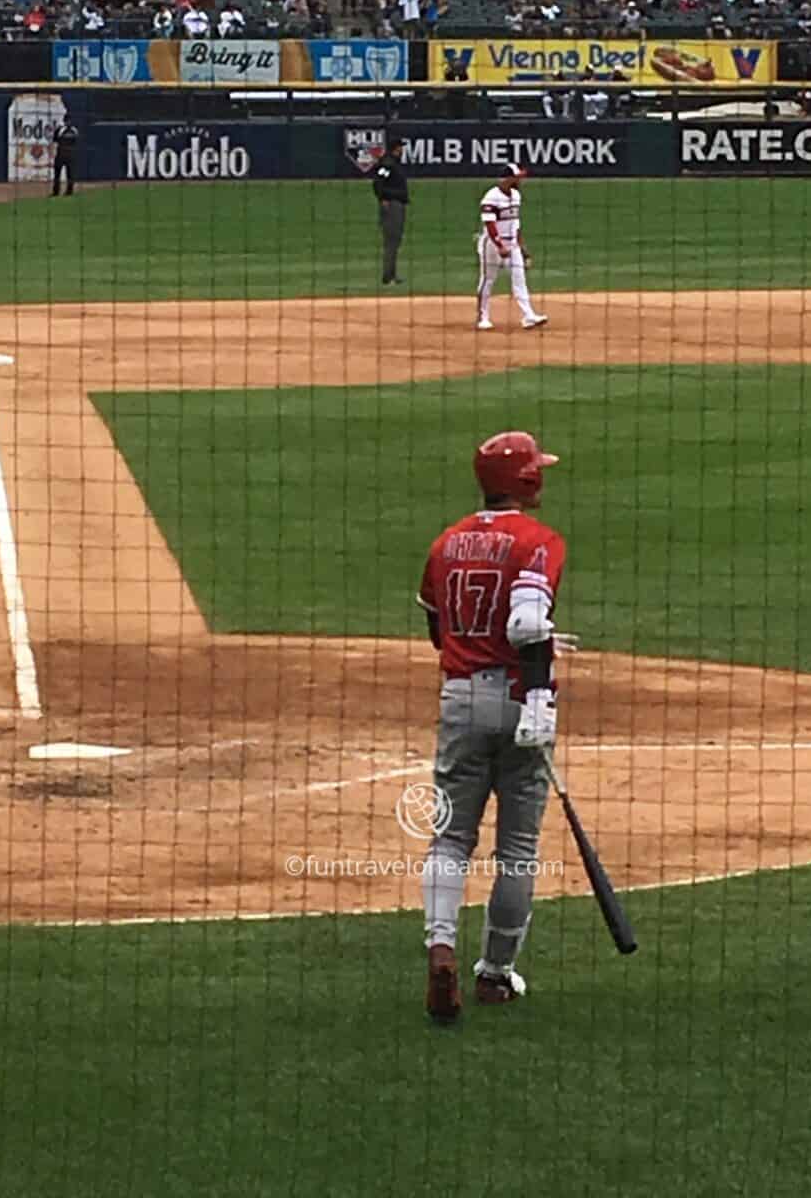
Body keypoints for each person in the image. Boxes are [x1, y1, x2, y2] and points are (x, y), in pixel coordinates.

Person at [417, 430, 572, 1022]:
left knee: (450, 837)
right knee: (517, 851)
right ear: (526, 481)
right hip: (517, 701)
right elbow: (529, 622)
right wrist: (536, 694)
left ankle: (440, 946)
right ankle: (496, 975)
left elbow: (438, 627)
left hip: (459, 698)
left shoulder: (447, 541)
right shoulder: (538, 541)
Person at [475, 165, 548, 332]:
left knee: (519, 279)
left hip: (512, 243)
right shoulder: (491, 197)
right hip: (492, 245)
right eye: (517, 177)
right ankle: (482, 317)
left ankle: (528, 316)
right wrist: (499, 245)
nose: (520, 180)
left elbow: (516, 223)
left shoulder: (516, 195)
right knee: (488, 279)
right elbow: (490, 224)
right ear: (506, 178)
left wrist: (522, 247)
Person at [372, 135, 409, 286]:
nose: (402, 150)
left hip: (397, 204)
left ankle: (391, 274)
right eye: (401, 147)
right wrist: (383, 198)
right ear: (396, 148)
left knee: (394, 241)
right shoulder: (388, 163)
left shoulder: (393, 163)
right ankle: (388, 276)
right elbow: (378, 182)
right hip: (392, 205)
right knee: (391, 241)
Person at [52, 112, 79, 196]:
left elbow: (55, 140)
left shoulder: (60, 130)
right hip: (68, 154)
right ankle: (65, 191)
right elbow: (76, 141)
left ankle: (63, 191)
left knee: (63, 174)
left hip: (62, 154)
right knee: (66, 174)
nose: (68, 122)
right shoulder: (74, 130)